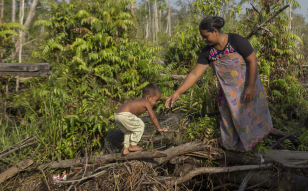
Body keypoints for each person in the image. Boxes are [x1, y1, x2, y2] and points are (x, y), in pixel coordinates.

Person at [165, 16, 273, 152]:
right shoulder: (208, 52)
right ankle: (235, 152)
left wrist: (250, 87)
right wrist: (177, 93)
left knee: (252, 118)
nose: (204, 40)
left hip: (248, 88)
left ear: (216, 32)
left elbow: (252, 60)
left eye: (206, 36)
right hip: (230, 95)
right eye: (202, 37)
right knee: (230, 122)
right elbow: (194, 74)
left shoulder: (236, 40)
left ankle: (256, 151)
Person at [114, 83, 167, 155]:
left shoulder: (140, 101)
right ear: (148, 97)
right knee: (140, 125)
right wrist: (159, 128)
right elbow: (153, 117)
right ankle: (133, 145)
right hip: (124, 114)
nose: (156, 103)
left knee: (128, 131)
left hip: (117, 115)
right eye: (156, 100)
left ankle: (126, 148)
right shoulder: (146, 103)